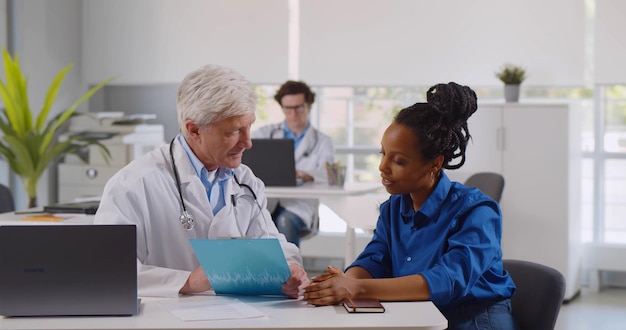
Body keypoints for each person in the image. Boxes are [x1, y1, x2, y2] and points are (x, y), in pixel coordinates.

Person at [302, 82, 518, 329]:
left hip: (474, 318)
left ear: (435, 163)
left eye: (398, 161)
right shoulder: (393, 208)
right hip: (421, 314)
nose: (383, 167)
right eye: (383, 153)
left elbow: (448, 280)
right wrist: (343, 282)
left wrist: (356, 287)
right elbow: (374, 259)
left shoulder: (478, 211)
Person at [94, 64, 309, 298]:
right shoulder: (132, 185)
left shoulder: (245, 181)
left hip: (236, 316)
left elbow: (270, 243)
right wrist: (188, 281)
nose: (248, 143)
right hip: (164, 319)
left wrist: (290, 269)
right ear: (194, 129)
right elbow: (108, 271)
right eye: (234, 131)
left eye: (249, 127)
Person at [252, 80, 334, 247]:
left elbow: (329, 175)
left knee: (284, 221)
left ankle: (291, 271)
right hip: (267, 201)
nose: (293, 113)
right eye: (287, 108)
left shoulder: (322, 141)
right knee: (252, 221)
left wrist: (306, 174)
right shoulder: (265, 133)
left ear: (309, 105)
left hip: (299, 205)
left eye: (298, 107)